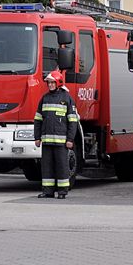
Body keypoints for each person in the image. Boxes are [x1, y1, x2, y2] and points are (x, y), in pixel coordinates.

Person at [33, 70, 78, 199]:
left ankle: (62, 192)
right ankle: (48, 191)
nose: (50, 85)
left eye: (52, 82)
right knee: (46, 167)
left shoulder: (66, 99)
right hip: (47, 142)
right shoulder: (44, 98)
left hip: (61, 142)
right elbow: (38, 119)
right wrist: (37, 137)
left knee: (62, 167)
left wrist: (70, 139)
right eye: (49, 83)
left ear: (58, 83)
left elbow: (73, 121)